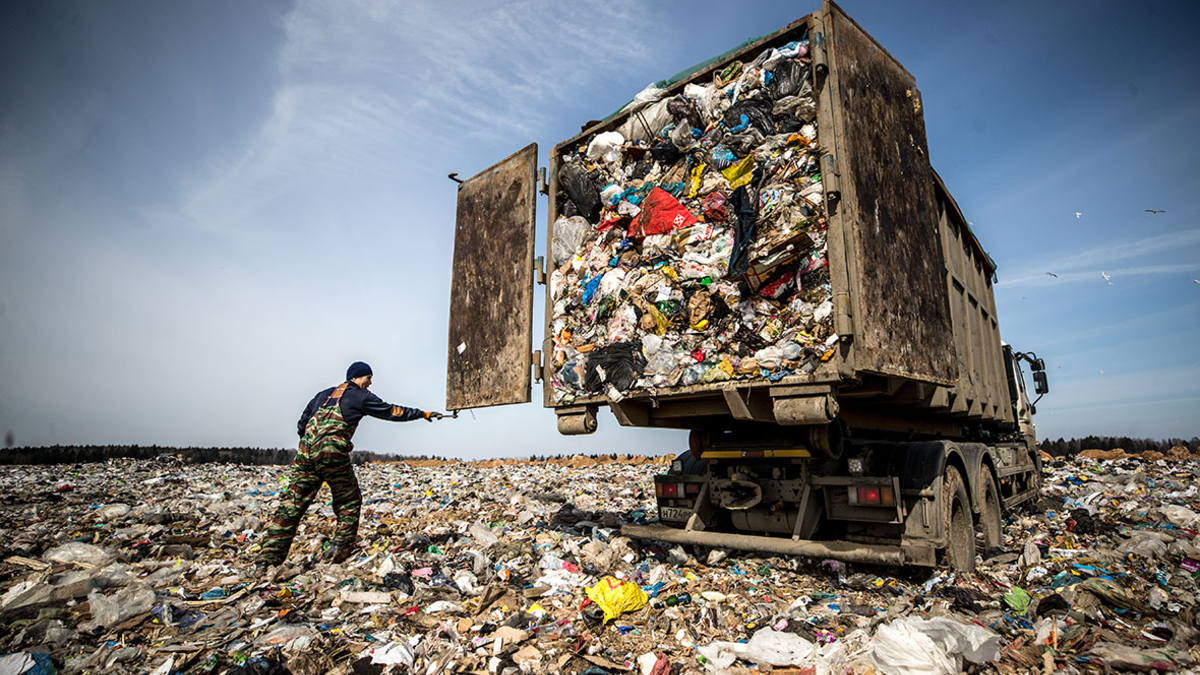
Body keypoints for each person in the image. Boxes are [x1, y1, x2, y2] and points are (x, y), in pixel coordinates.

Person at [256, 361, 439, 567]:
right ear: (356, 377)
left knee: (291, 506)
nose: (370, 383)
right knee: (348, 501)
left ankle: (266, 561)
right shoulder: (360, 396)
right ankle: (340, 550)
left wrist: (311, 446)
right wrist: (422, 414)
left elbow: (302, 423)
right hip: (332, 453)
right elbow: (392, 411)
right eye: (368, 378)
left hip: (305, 454)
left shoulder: (322, 395)